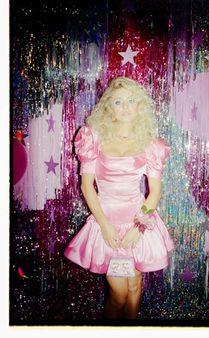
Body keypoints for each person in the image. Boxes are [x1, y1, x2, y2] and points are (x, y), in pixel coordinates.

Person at [64, 76, 175, 320]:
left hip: (138, 222)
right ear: (108, 107)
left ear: (139, 106)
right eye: (118, 101)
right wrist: (104, 225)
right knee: (119, 295)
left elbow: (154, 192)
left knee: (135, 287)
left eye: (131, 100)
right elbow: (86, 186)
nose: (125, 107)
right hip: (107, 225)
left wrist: (140, 225)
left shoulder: (150, 145)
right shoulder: (93, 138)